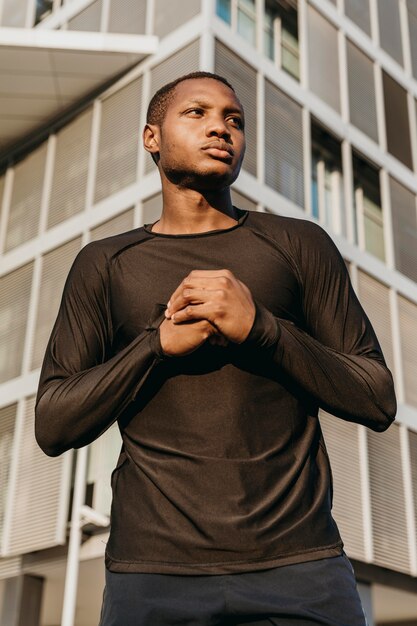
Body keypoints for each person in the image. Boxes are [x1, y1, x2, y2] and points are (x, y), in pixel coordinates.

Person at [35, 71, 397, 626]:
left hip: (301, 569)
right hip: (151, 576)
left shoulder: (299, 243)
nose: (221, 129)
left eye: (234, 119)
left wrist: (264, 329)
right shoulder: (105, 264)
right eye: (197, 113)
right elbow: (54, 423)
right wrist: (153, 345)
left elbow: (376, 397)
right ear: (151, 137)